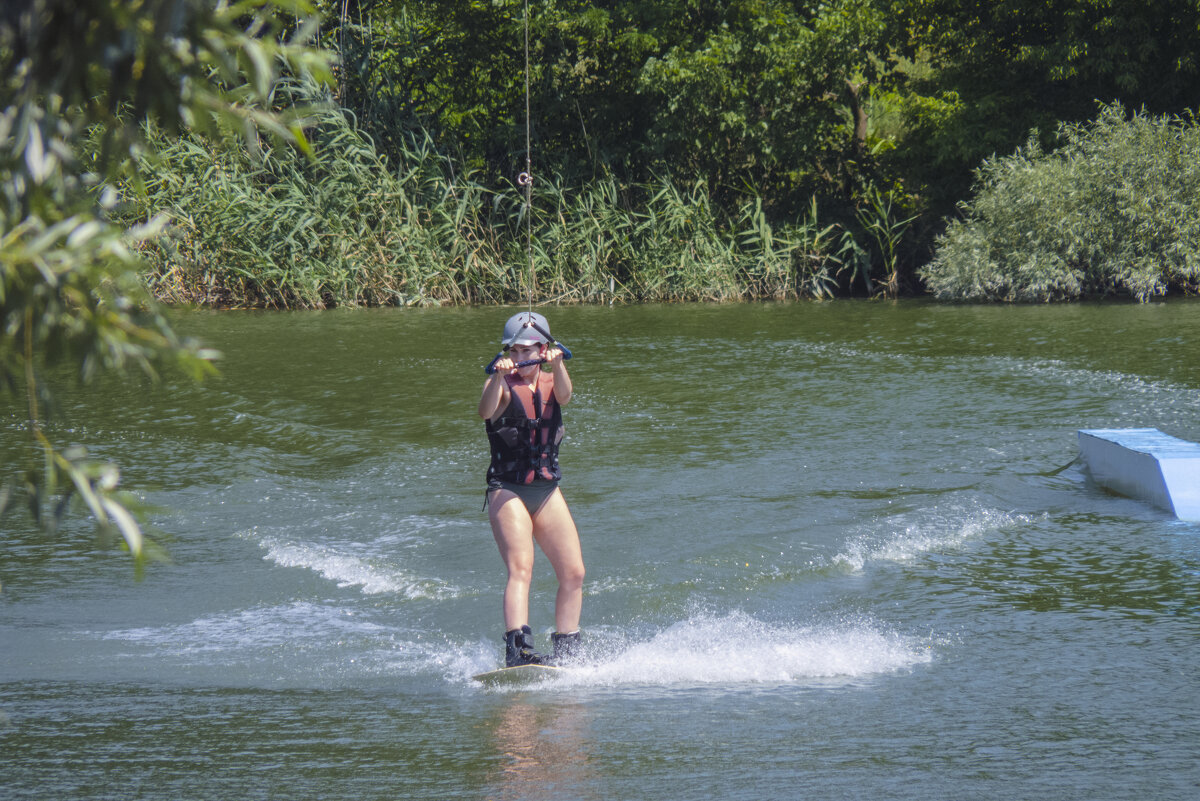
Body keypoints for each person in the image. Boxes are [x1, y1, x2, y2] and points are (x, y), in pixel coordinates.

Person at [478, 311, 585, 667]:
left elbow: (566, 397)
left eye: (530, 351)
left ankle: (568, 650)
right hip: (507, 490)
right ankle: (517, 650)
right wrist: (497, 376)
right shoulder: (501, 385)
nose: (524, 359)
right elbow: (485, 411)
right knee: (522, 566)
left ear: (543, 349)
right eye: (517, 351)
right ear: (508, 352)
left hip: (545, 490)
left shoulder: (553, 382)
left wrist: (560, 365)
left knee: (574, 572)